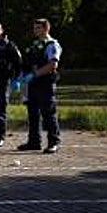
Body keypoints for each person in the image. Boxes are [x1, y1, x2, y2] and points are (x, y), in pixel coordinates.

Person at [18, 18, 63, 154]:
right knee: (33, 114)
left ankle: (53, 142)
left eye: (38, 28)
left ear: (45, 28)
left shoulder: (51, 44)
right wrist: (22, 76)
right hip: (33, 84)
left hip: (45, 83)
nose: (35, 31)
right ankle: (34, 141)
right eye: (34, 28)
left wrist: (35, 74)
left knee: (48, 113)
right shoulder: (35, 44)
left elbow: (52, 64)